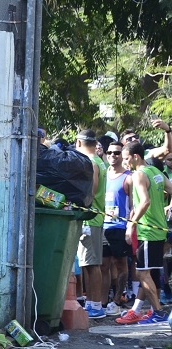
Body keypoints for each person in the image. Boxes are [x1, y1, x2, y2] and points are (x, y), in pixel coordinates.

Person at [117, 140, 169, 324]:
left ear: (135, 156)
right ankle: (149, 311)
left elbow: (145, 201)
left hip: (147, 231)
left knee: (142, 274)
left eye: (126, 159)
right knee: (149, 272)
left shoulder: (139, 174)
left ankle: (158, 312)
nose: (124, 163)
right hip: (159, 230)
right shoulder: (156, 172)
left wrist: (132, 223)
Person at [74, 131, 107, 318]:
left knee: (92, 264)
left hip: (91, 219)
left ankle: (96, 305)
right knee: (88, 264)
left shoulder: (92, 162)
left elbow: (91, 193)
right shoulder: (99, 162)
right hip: (93, 218)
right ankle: (92, 303)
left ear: (79, 142)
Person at [101, 141, 132, 317]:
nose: (112, 155)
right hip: (104, 225)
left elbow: (134, 206)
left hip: (120, 227)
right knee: (104, 265)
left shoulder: (128, 177)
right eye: (109, 152)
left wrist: (130, 226)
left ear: (122, 155)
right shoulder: (103, 174)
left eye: (117, 153)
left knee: (121, 265)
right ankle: (103, 302)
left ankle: (117, 299)